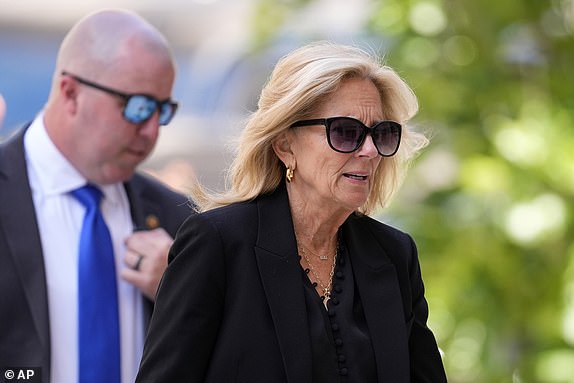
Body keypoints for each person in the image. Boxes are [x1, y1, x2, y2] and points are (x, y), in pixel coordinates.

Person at [136, 41, 447, 382]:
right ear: (285, 145)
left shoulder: (393, 254)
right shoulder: (218, 244)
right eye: (346, 132)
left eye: (381, 134)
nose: (370, 150)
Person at [0, 9, 192, 383]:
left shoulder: (178, 220)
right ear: (71, 93)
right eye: (138, 107)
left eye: (163, 111)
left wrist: (181, 291)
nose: (152, 131)